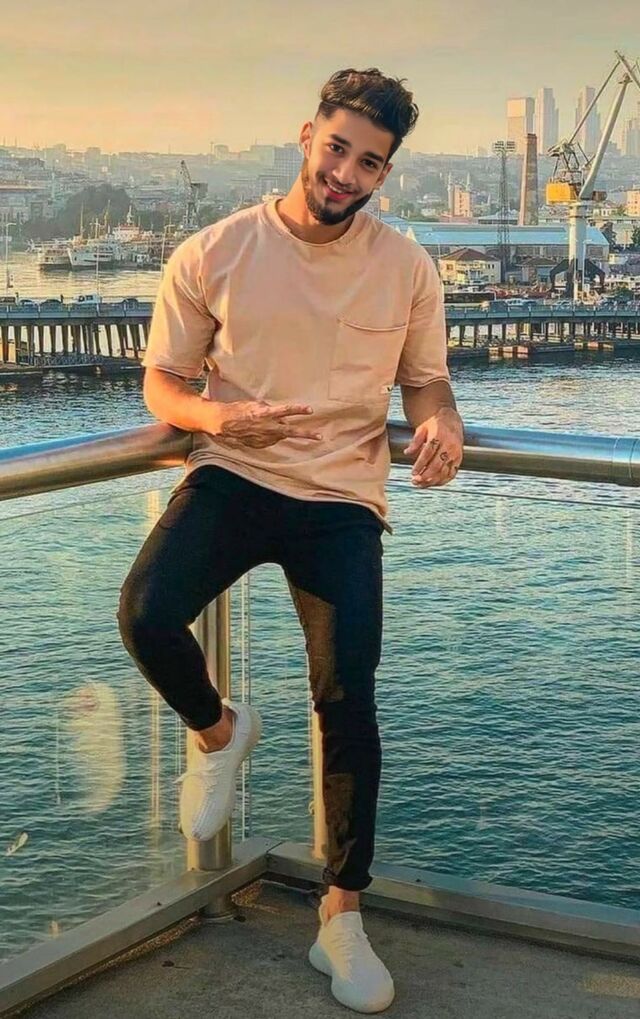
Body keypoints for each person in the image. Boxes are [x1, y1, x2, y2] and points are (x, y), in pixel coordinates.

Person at [118, 67, 463, 1014]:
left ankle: (340, 915)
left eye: (370, 163)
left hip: (343, 496)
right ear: (307, 135)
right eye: (338, 147)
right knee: (145, 612)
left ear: (385, 174)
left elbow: (425, 381)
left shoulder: (406, 265)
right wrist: (217, 419)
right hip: (234, 471)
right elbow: (163, 382)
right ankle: (220, 732)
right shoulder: (215, 250)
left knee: (347, 698)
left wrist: (443, 423)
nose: (347, 173)